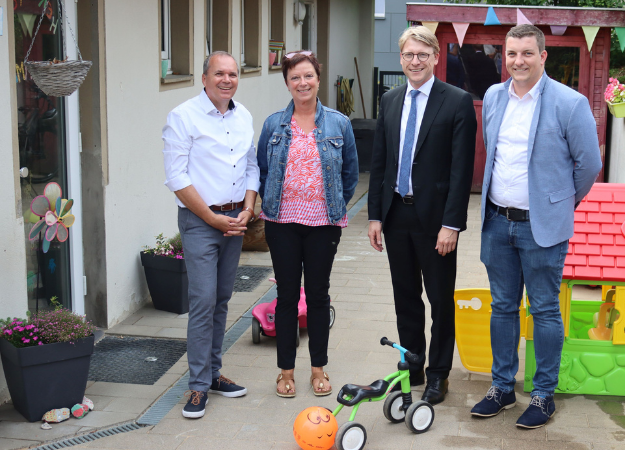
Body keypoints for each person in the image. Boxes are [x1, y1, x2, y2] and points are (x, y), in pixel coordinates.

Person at [470, 24, 602, 429]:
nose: (518, 61)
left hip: (540, 228)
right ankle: (502, 387)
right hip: (496, 221)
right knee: (502, 308)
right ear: (503, 57)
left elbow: (590, 165)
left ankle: (544, 394)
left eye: (527, 53)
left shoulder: (570, 102)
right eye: (511, 54)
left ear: (543, 56)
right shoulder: (494, 96)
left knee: (544, 310)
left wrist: (557, 205)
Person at [368, 26, 477, 405]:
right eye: (408, 55)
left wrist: (453, 225)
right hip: (397, 215)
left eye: (422, 55)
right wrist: (375, 216)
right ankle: (412, 366)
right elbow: (379, 162)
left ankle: (438, 374)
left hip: (436, 223)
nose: (415, 61)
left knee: (440, 300)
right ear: (401, 59)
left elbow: (462, 171)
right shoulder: (390, 100)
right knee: (405, 298)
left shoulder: (457, 101)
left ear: (434, 58)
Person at [257, 51, 358, 398]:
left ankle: (318, 368)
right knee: (286, 296)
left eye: (308, 76)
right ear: (287, 83)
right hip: (281, 222)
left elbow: (350, 174)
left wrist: (332, 206)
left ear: (318, 79)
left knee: (317, 295)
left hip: (323, 224)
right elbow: (264, 170)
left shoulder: (339, 124)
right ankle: (285, 371)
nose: (302, 83)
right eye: (295, 78)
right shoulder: (273, 124)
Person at [162, 51, 257, 419]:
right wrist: (214, 219)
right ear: (204, 78)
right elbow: (177, 178)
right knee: (202, 301)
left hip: (236, 219)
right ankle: (198, 387)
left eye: (233, 74)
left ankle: (214, 374)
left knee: (221, 298)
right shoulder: (183, 117)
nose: (227, 79)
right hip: (202, 222)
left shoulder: (244, 115)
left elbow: (251, 166)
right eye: (219, 73)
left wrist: (248, 209)